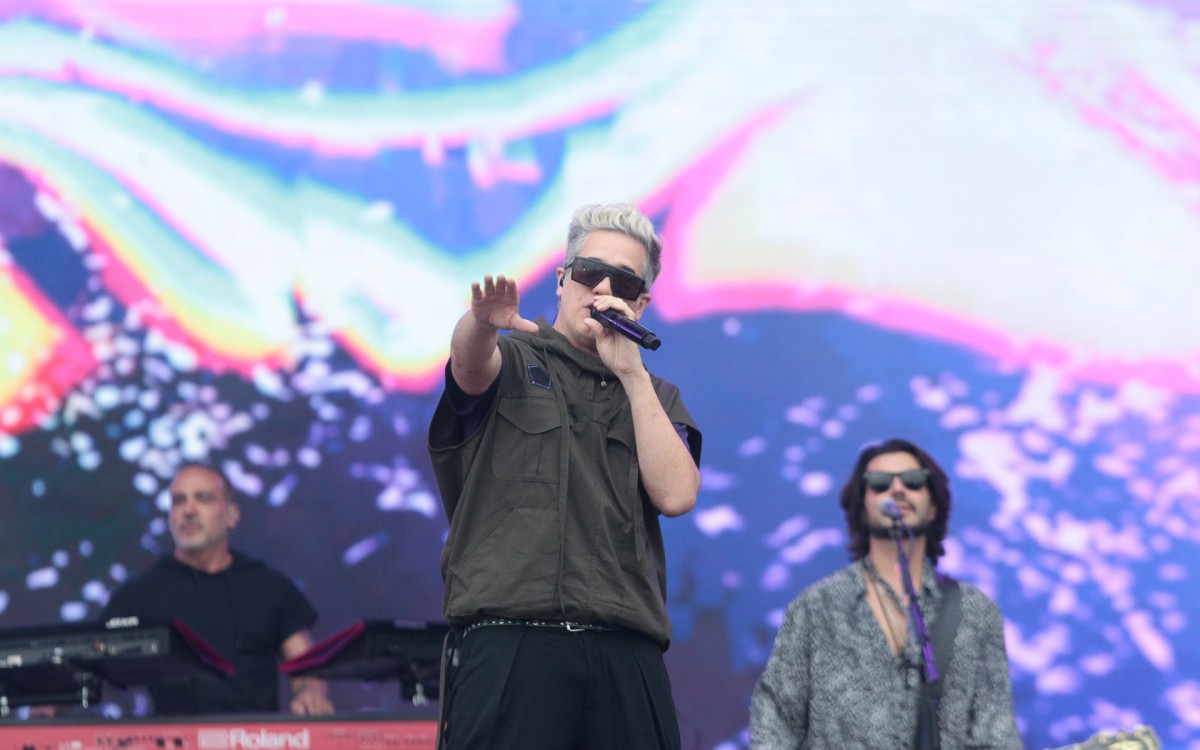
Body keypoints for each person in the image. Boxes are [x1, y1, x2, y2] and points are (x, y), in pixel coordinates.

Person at [427, 202, 703, 749]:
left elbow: (676, 494)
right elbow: (468, 366)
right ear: (561, 280)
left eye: (622, 281)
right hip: (513, 641)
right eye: (587, 272)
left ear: (641, 302)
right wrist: (479, 323)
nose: (601, 288)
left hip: (625, 649)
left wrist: (630, 372)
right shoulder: (515, 359)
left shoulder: (658, 395)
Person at [749, 438, 1022, 749]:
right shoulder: (815, 607)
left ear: (933, 506)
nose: (897, 490)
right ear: (861, 508)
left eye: (913, 481)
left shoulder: (976, 612)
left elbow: (997, 733)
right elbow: (775, 721)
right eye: (879, 483)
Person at [102, 463, 333, 716]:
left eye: (203, 499)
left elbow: (305, 667)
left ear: (232, 515)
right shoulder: (140, 592)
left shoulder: (269, 586)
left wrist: (311, 693)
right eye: (179, 501)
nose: (188, 510)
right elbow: (93, 658)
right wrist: (52, 708)